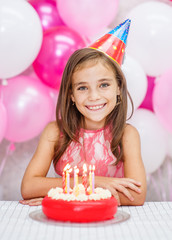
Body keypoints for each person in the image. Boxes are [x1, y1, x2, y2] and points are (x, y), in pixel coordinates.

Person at [20, 19, 147, 206]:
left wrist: (64, 192)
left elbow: (136, 196)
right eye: (82, 88)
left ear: (118, 88)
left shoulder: (126, 135)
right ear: (71, 95)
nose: (94, 96)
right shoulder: (55, 132)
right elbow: (29, 187)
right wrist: (95, 183)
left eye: (104, 85)